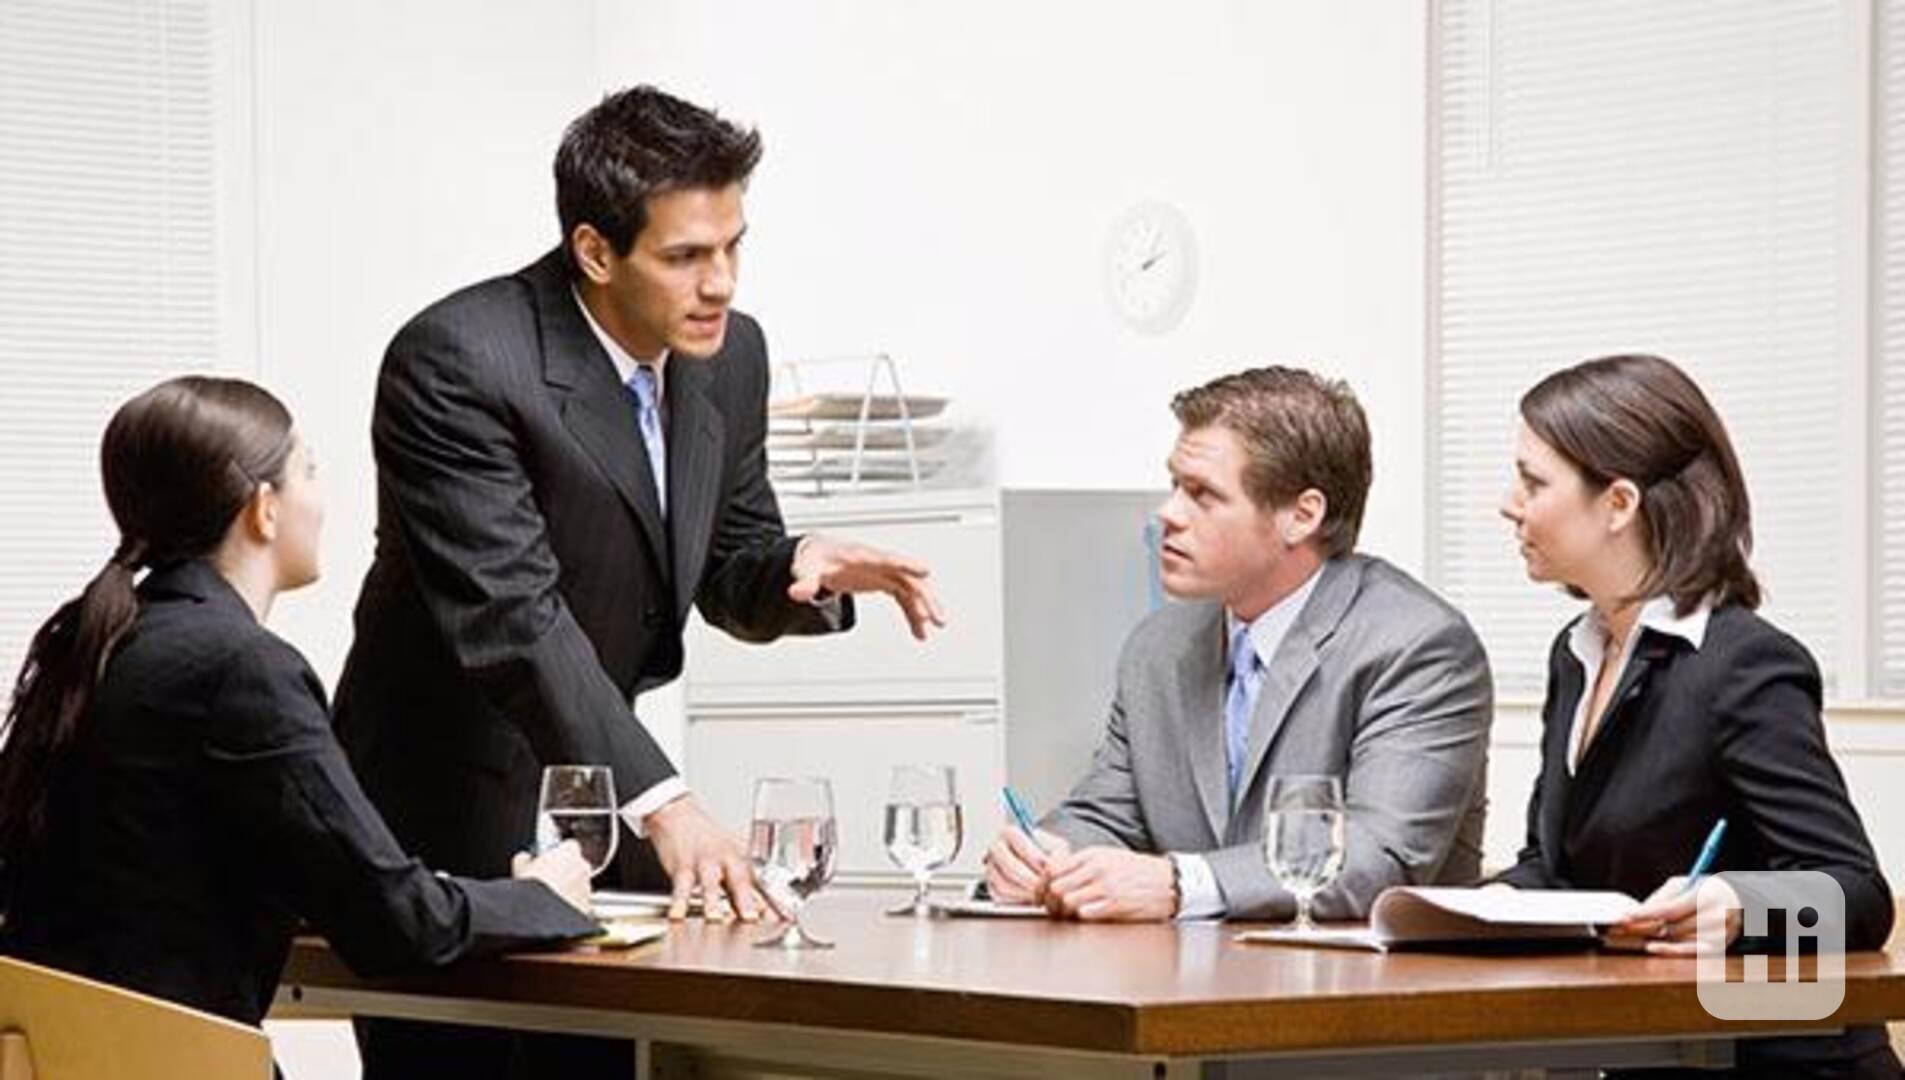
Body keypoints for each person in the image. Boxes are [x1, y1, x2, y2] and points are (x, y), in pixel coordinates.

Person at [333, 86, 944, 1077]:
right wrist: (665, 803)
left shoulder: (729, 356)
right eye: (686, 256)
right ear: (594, 250)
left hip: (594, 800)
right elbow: (515, 617)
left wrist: (797, 568)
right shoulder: (458, 360)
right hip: (447, 810)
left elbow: (727, 562)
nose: (720, 284)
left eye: (733, 247)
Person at [0, 376, 597, 1035]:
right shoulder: (242, 669)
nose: (321, 500)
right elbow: (396, 922)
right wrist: (540, 897)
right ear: (264, 508)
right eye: (309, 473)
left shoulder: (95, 644)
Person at [1495, 353, 1898, 1078]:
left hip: (1776, 1060)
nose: (1507, 503)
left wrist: (1740, 905)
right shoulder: (1577, 652)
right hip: (1648, 1046)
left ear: (1618, 504)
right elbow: (1554, 870)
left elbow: (1859, 895)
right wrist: (1455, 910)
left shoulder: (1742, 663)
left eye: (1532, 481)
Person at [984, 366, 1493, 921]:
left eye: (1202, 494)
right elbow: (1108, 814)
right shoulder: (1159, 646)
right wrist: (1046, 854)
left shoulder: (1417, 646)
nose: (1168, 513)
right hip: (1191, 970)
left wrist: (1182, 884)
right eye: (1175, 485)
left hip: (1360, 974)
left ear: (1302, 516)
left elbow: (1379, 857)